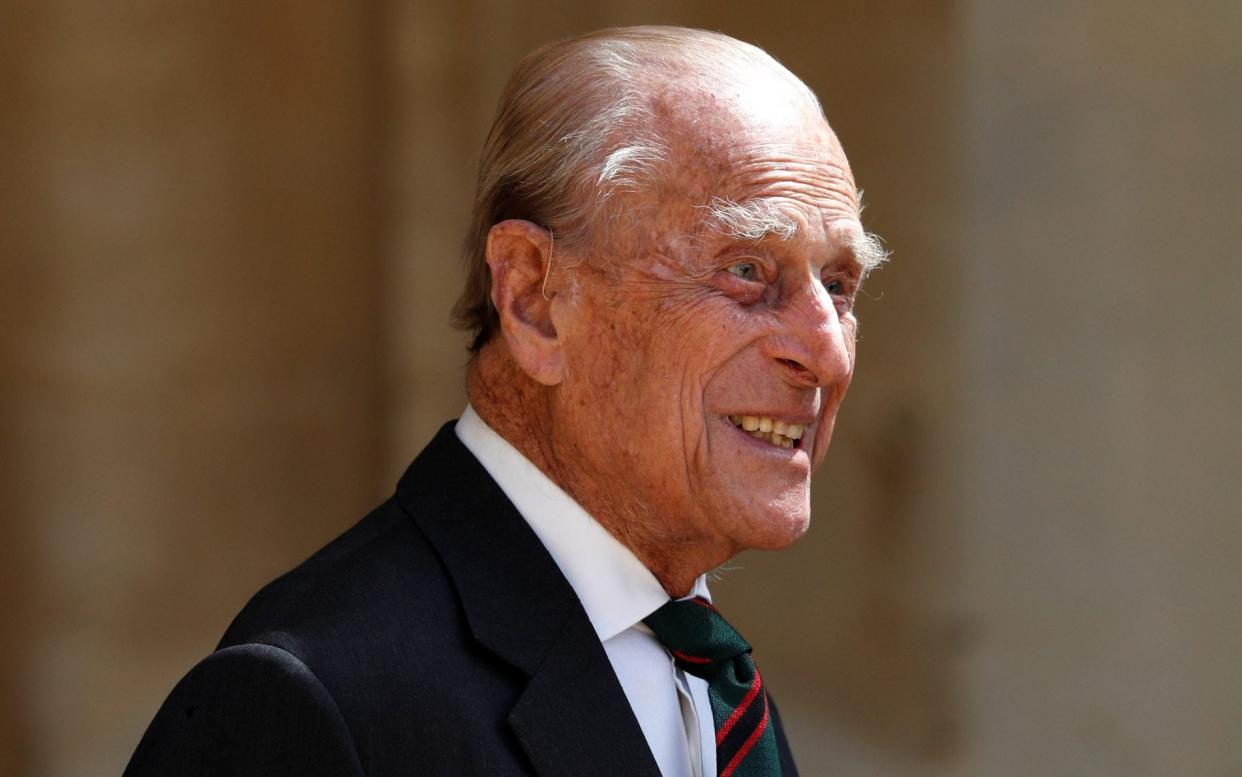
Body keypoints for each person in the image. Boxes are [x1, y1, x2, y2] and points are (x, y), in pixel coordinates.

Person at [125, 25, 886, 777]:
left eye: (840, 285)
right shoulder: (311, 702)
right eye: (748, 270)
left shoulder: (715, 686)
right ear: (534, 299)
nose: (824, 352)